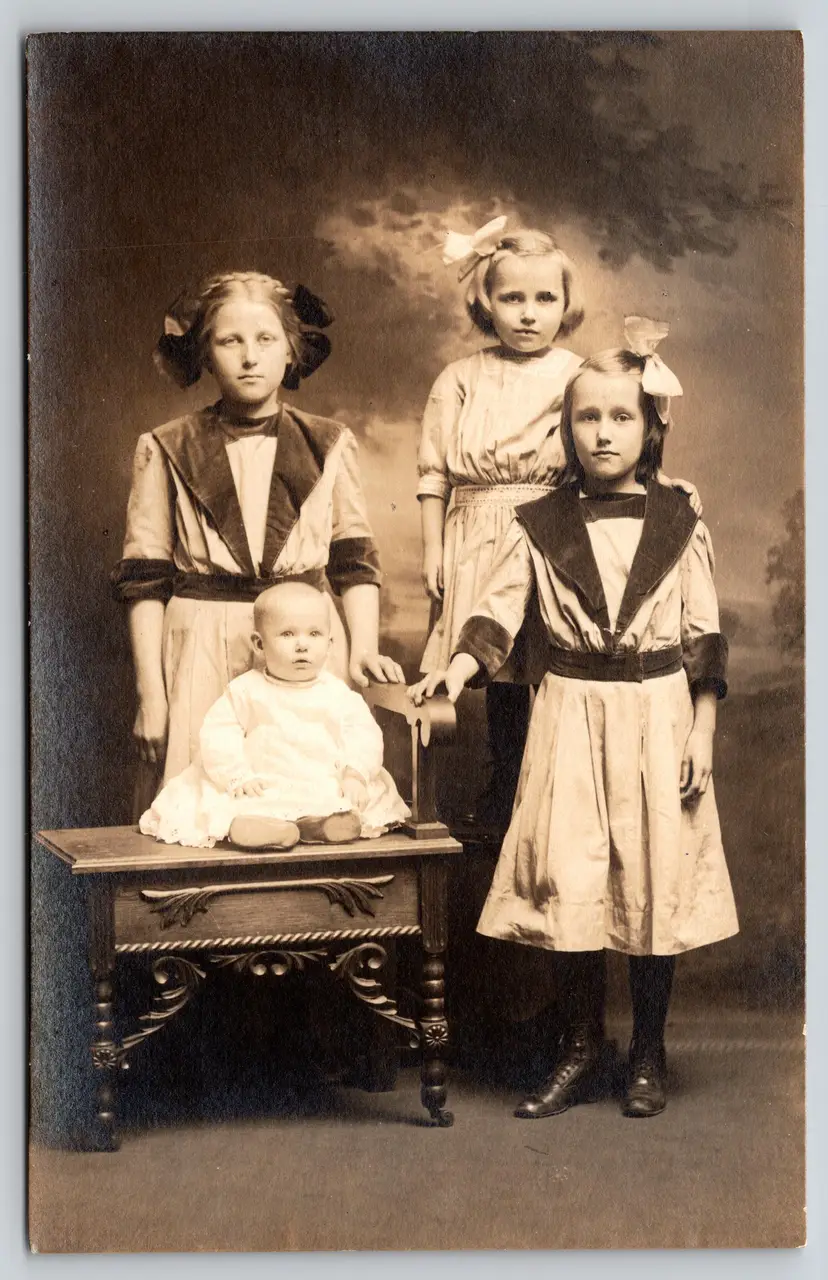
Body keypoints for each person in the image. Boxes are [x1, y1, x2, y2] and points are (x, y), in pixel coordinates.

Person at [411, 320, 739, 1119]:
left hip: (659, 715)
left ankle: (647, 1050)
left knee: (651, 875)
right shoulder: (541, 521)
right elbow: (493, 616)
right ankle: (580, 1044)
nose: (603, 432)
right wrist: (453, 671)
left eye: (621, 417)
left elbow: (702, 636)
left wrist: (702, 732)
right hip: (569, 715)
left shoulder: (680, 516)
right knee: (573, 878)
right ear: (567, 428)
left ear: (653, 426)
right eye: (587, 417)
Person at [111, 271, 403, 800]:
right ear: (204, 354)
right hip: (200, 643)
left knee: (309, 795)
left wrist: (363, 648)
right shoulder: (165, 446)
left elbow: (353, 557)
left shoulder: (330, 442)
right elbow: (144, 579)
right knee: (204, 797)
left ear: (292, 351)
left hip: (305, 639)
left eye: (266, 339)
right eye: (230, 341)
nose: (249, 357)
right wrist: (151, 696)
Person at [414, 219, 585, 825]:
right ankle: (499, 783)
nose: (529, 313)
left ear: (566, 304)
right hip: (474, 528)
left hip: (548, 528)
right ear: (486, 302)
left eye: (545, 299)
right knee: (482, 661)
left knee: (541, 662)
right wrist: (432, 548)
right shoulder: (460, 378)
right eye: (512, 298)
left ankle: (542, 792)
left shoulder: (577, 375)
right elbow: (434, 473)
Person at [140, 581, 410, 850]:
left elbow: (363, 735)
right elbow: (218, 733)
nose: (302, 645)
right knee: (230, 801)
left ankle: (323, 826)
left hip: (320, 780)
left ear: (330, 644)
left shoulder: (338, 694)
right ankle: (251, 828)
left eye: (314, 634)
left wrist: (355, 773)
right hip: (262, 782)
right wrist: (237, 774)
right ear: (259, 644)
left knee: (340, 800)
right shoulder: (245, 690)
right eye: (287, 634)